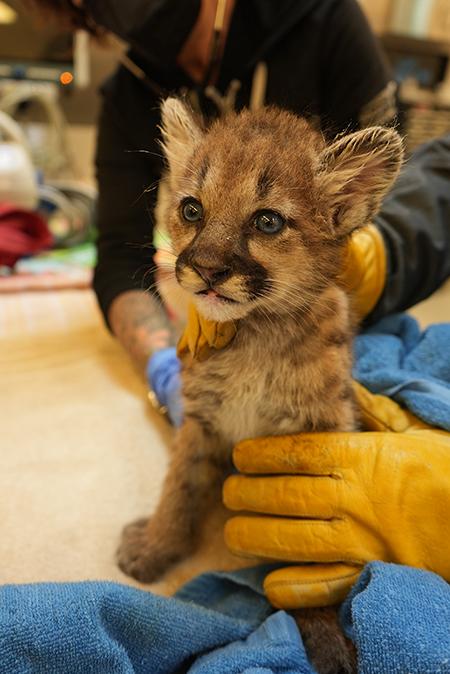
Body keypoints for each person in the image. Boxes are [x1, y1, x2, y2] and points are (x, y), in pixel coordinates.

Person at [31, 0, 450, 609]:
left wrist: (377, 253)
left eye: (266, 220)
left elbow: (419, 172)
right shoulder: (131, 90)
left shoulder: (323, 19)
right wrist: (164, 371)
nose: (202, 263)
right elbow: (119, 260)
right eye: (192, 212)